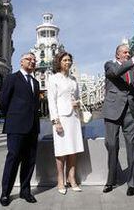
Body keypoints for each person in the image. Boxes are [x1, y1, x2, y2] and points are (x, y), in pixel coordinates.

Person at [101, 44, 134, 196]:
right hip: (112, 111)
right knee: (112, 145)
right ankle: (111, 180)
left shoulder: (132, 72)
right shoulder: (110, 65)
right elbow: (115, 73)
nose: (128, 54)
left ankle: (132, 182)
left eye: (129, 52)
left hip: (130, 112)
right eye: (125, 52)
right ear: (117, 54)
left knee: (132, 146)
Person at [0, 52, 40, 206]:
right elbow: (3, 102)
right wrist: (13, 118)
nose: (32, 61)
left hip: (32, 127)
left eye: (34, 60)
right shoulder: (12, 78)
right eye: (29, 59)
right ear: (21, 62)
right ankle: (5, 193)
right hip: (16, 125)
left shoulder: (35, 83)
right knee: (13, 158)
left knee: (30, 160)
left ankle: (25, 191)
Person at [48, 51, 84, 195]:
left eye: (69, 60)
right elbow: (52, 101)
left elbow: (79, 98)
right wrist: (55, 121)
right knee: (61, 150)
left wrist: (77, 103)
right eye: (64, 60)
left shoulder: (74, 79)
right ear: (59, 62)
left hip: (74, 118)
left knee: (73, 149)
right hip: (61, 118)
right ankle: (60, 180)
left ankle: (72, 179)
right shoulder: (53, 78)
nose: (67, 62)